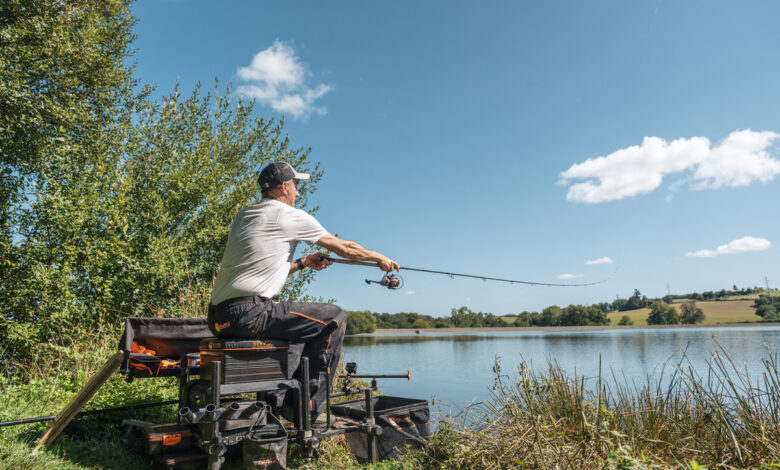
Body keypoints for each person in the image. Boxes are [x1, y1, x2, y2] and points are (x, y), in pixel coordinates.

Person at [207, 161, 399, 426]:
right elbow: (344, 247)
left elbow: (262, 268)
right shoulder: (288, 215)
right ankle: (305, 412)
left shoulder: (244, 216)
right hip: (250, 312)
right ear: (284, 187)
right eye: (296, 185)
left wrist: (303, 262)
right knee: (334, 318)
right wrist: (378, 257)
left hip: (219, 317)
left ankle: (278, 404)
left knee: (300, 333)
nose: (298, 192)